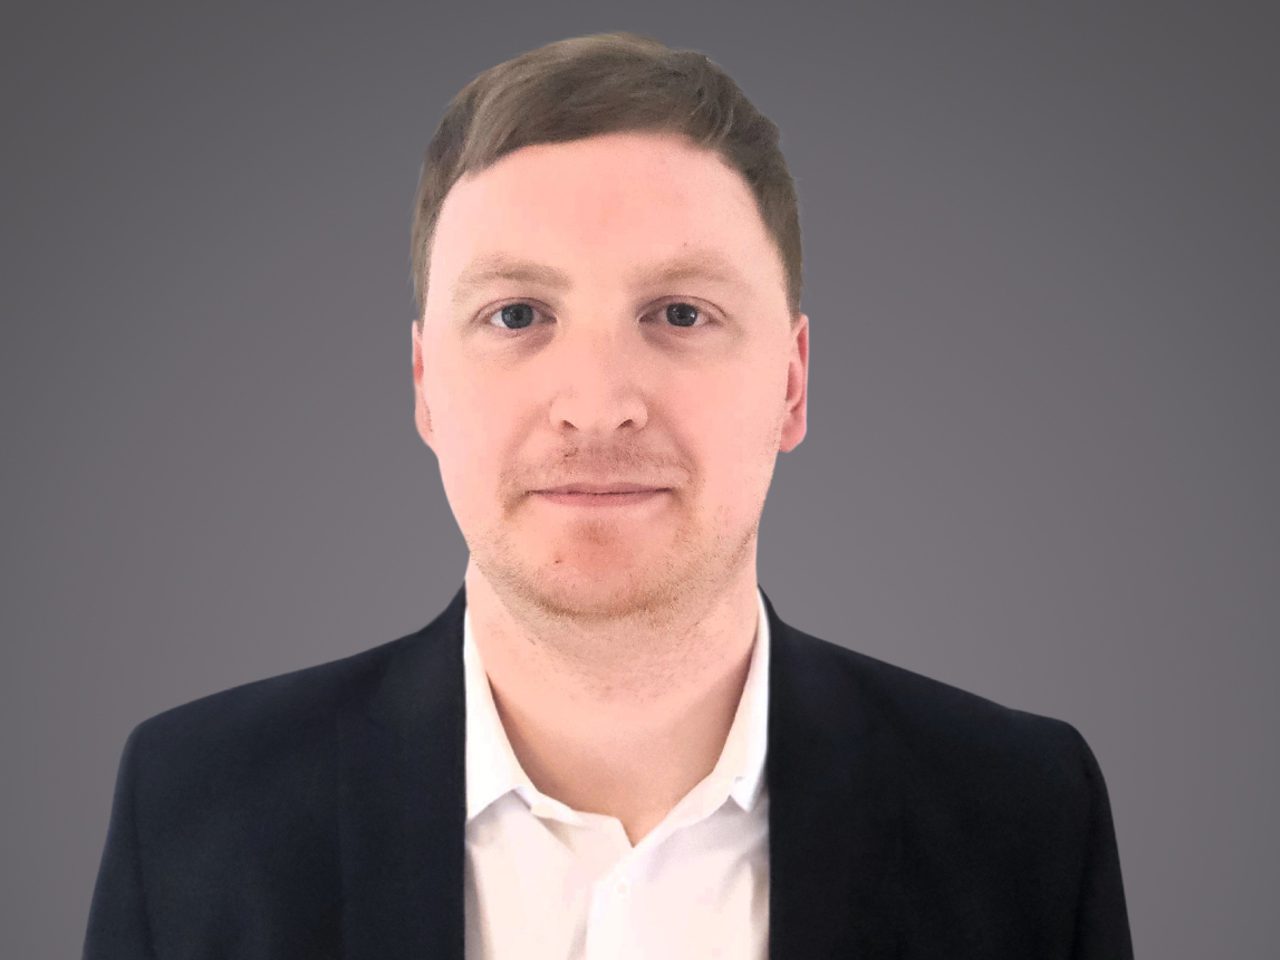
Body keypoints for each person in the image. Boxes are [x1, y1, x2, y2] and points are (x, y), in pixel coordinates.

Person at [82, 31, 1134, 959]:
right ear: (423, 390)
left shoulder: (1024, 820)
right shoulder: (192, 813)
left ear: (791, 384)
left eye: (678, 313)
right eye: (515, 314)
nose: (595, 405)